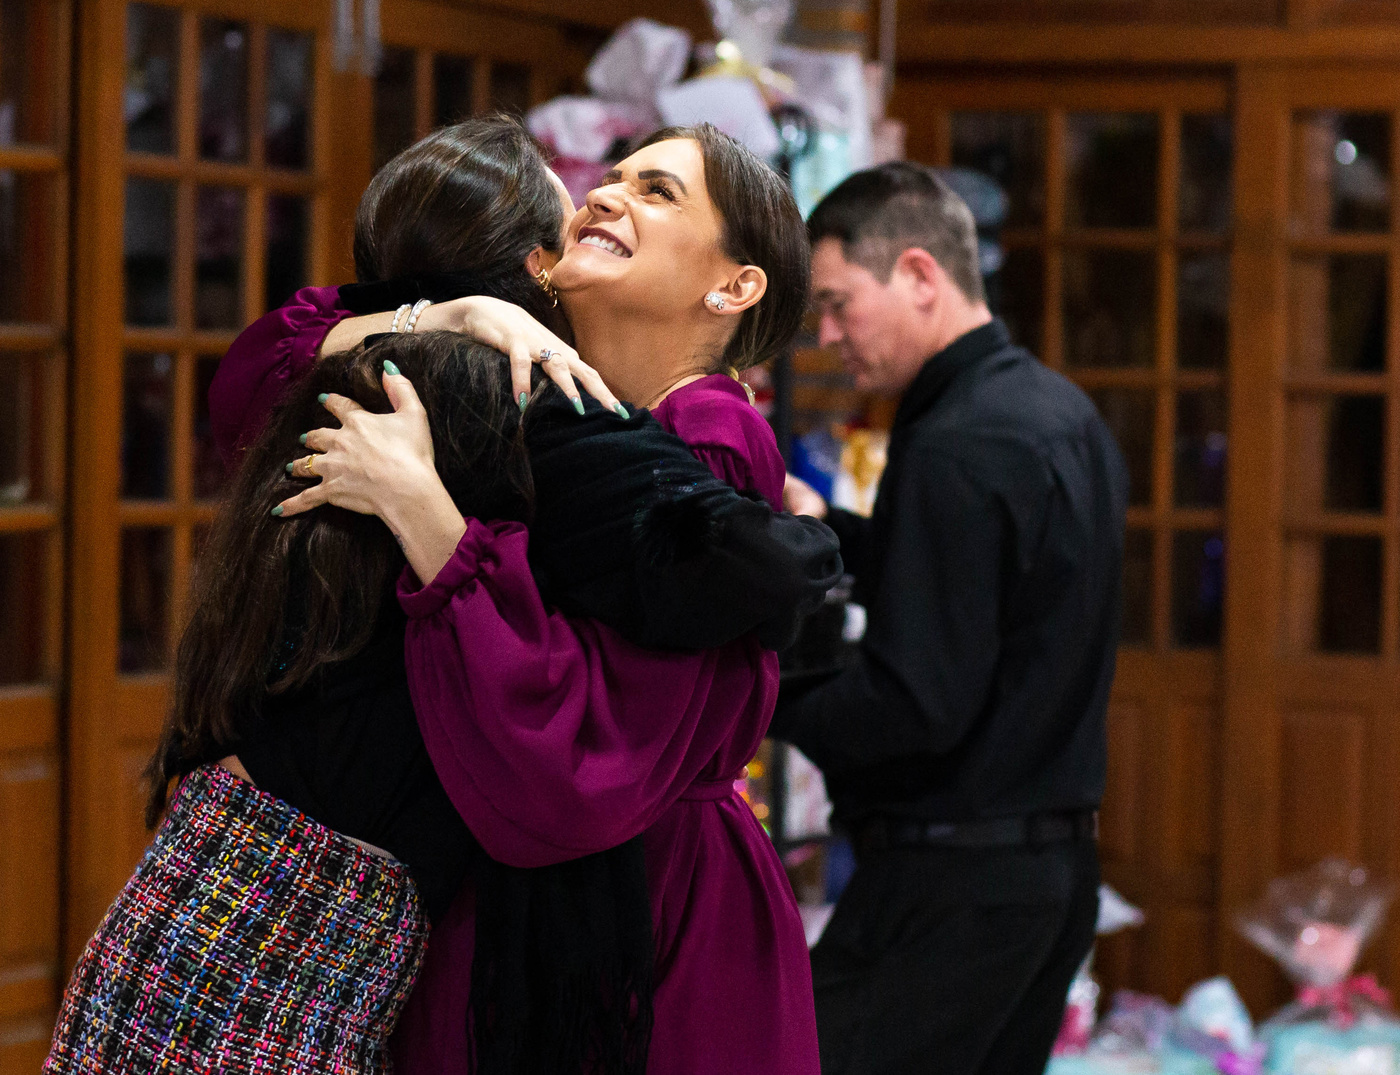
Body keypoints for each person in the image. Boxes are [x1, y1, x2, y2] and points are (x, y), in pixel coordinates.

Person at [213, 123, 823, 1074]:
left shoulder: (706, 437)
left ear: (734, 287)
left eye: (658, 191)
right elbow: (256, 374)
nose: (606, 194)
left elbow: (584, 754)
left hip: (643, 922)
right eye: (611, 177)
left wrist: (423, 511)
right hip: (523, 895)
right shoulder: (540, 383)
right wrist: (442, 313)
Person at [773, 162, 1129, 1075]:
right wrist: (826, 531)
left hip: (955, 884)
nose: (828, 335)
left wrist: (758, 693)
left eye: (839, 304)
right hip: (1050, 875)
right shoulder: (1058, 410)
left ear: (920, 275)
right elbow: (979, 587)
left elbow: (913, 702)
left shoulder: (957, 444)